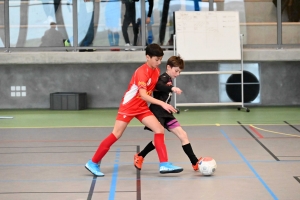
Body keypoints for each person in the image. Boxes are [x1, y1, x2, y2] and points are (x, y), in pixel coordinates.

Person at [85, 44, 183, 176]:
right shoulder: (141, 72)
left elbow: (152, 88)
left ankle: (164, 164)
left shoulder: (156, 70)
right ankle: (93, 162)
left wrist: (170, 89)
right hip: (129, 106)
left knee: (159, 130)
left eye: (160, 59)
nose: (159, 62)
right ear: (148, 57)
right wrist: (162, 104)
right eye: (156, 59)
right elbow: (143, 94)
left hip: (141, 107)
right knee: (116, 134)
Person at [134, 55, 203, 172]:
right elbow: (158, 86)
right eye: (176, 71)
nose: (177, 74)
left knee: (183, 135)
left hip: (167, 113)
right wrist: (172, 89)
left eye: (179, 72)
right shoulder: (164, 78)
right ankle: (140, 156)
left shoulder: (169, 79)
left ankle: (194, 162)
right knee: (158, 140)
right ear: (168, 67)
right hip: (158, 112)